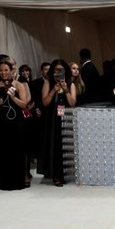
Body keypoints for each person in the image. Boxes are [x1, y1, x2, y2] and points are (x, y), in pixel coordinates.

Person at [39, 59, 76, 187]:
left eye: (61, 70)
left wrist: (65, 90)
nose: (58, 72)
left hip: (66, 118)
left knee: (65, 145)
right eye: (56, 70)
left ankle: (66, 173)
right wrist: (53, 90)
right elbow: (44, 102)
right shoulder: (48, 83)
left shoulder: (70, 83)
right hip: (52, 119)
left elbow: (72, 103)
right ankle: (56, 175)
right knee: (54, 145)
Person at [0, 57, 29, 190]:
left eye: (6, 70)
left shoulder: (19, 85)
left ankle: (19, 181)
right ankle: (5, 182)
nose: (3, 73)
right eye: (1, 70)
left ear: (11, 70)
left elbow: (24, 104)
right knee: (4, 151)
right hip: (2, 122)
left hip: (16, 122)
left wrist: (13, 97)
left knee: (17, 150)